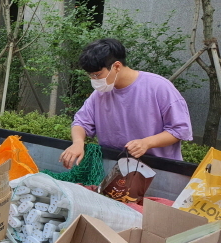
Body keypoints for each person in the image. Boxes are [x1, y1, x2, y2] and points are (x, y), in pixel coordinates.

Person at [59, 38, 192, 168]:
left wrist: (147, 143)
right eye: (91, 75)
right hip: (115, 167)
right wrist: (78, 143)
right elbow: (81, 122)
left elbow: (180, 129)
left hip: (159, 170)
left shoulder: (158, 87)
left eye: (97, 75)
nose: (93, 79)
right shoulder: (100, 94)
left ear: (116, 66)